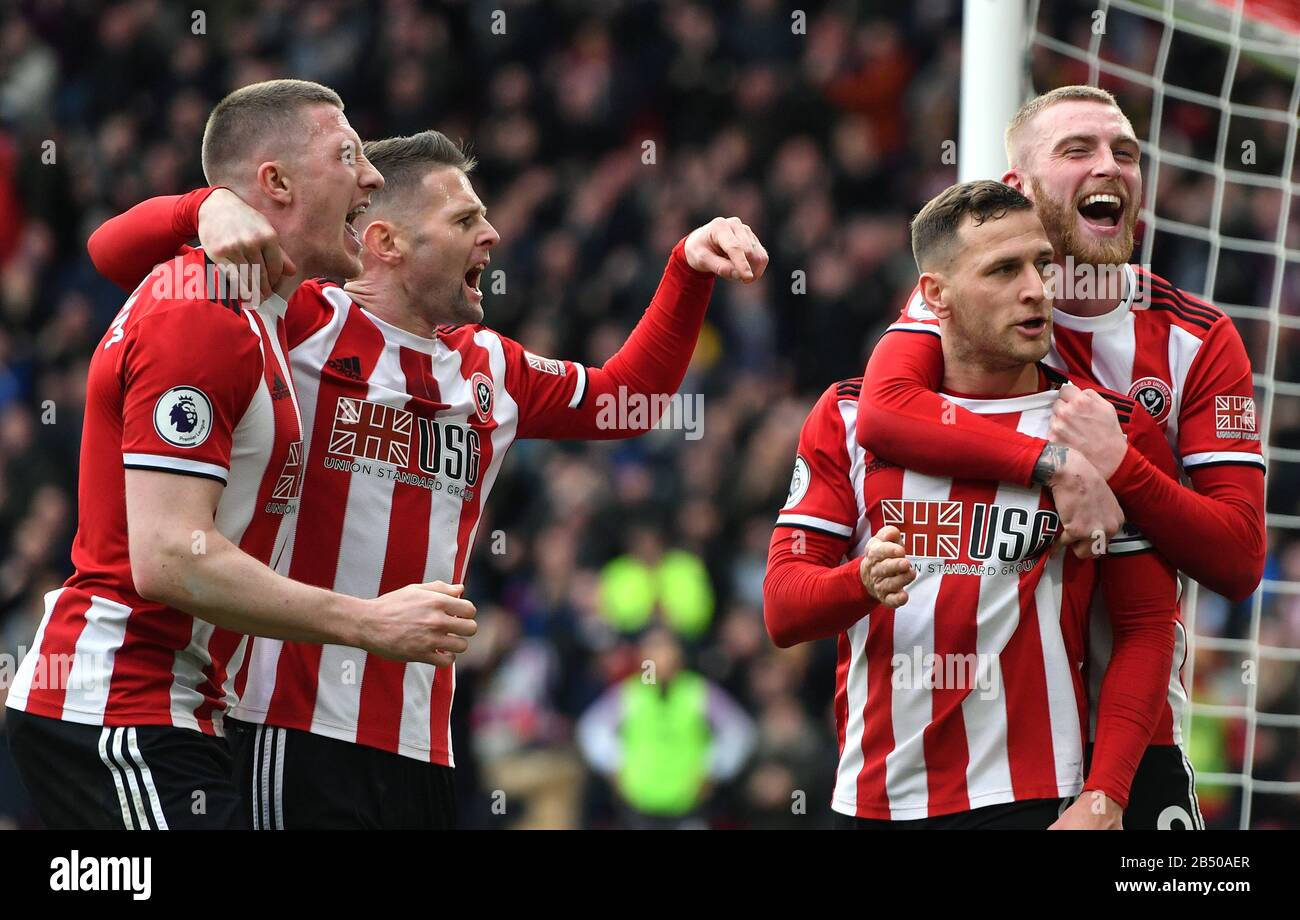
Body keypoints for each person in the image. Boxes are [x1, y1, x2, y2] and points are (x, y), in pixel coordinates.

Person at [87, 129, 769, 828]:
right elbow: (114, 257)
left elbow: (636, 399)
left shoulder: (493, 369)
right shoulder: (294, 321)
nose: (493, 234)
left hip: (425, 743)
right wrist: (204, 207)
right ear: (386, 243)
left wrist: (687, 266)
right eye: (466, 219)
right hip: (287, 726)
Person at [4, 80, 477, 830]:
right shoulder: (205, 314)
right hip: (118, 705)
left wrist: (202, 207)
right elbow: (169, 558)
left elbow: (108, 248)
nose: (374, 177)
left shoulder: (264, 313)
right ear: (277, 182)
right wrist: (366, 623)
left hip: (175, 708)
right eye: (347, 155)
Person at [855, 85, 1264, 829]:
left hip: (1137, 732)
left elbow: (1238, 560)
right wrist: (1059, 464)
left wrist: (1125, 469)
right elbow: (883, 416)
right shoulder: (956, 308)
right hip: (984, 740)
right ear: (1020, 188)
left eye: (1125, 153)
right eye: (1077, 150)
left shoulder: (1197, 339)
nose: (1110, 165)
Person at [764, 180, 1178, 829]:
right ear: (935, 296)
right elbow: (784, 607)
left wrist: (1106, 795)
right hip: (873, 799)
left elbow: (1147, 627)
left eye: (1041, 264)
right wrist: (861, 581)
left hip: (1033, 800)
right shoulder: (844, 417)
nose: (1037, 289)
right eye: (1003, 270)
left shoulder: (1103, 427)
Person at [576, 626, 755, 828]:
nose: (656, 656)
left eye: (663, 647)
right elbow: (592, 728)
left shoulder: (698, 692)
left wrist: (713, 769)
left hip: (687, 803)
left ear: (679, 654)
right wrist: (614, 767)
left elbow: (738, 731)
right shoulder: (630, 693)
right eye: (650, 648)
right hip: (639, 804)